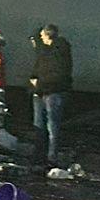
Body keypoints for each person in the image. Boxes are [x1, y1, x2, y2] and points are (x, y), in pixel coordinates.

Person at [29, 23, 73, 165]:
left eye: (42, 36)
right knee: (43, 126)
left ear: (47, 36)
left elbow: (57, 75)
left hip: (52, 92)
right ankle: (42, 156)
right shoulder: (46, 52)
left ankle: (50, 157)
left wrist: (37, 84)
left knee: (50, 126)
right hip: (43, 91)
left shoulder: (58, 53)